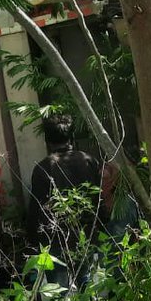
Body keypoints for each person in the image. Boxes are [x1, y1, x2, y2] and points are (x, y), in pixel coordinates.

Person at [26, 115, 103, 289]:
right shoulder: (89, 161)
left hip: (56, 239)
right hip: (86, 235)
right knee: (88, 288)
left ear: (47, 139)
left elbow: (36, 210)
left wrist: (32, 241)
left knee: (59, 292)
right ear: (72, 137)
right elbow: (99, 199)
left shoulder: (43, 168)